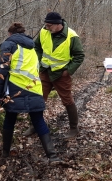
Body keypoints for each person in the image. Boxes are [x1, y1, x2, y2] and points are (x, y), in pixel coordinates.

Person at [0, 22, 61, 164]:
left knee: (10, 119)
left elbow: (1, 71)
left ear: (10, 34)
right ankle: (52, 156)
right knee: (38, 120)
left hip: (15, 90)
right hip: (34, 88)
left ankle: (5, 154)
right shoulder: (32, 47)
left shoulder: (8, 45)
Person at [23, 12, 85, 140]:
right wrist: (39, 62)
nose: (47, 27)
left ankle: (74, 128)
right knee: (37, 99)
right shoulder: (44, 32)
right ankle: (34, 125)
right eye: (46, 25)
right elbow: (37, 47)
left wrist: (68, 71)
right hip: (44, 71)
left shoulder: (72, 36)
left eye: (49, 25)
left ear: (58, 24)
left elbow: (79, 56)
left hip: (61, 74)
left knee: (67, 101)